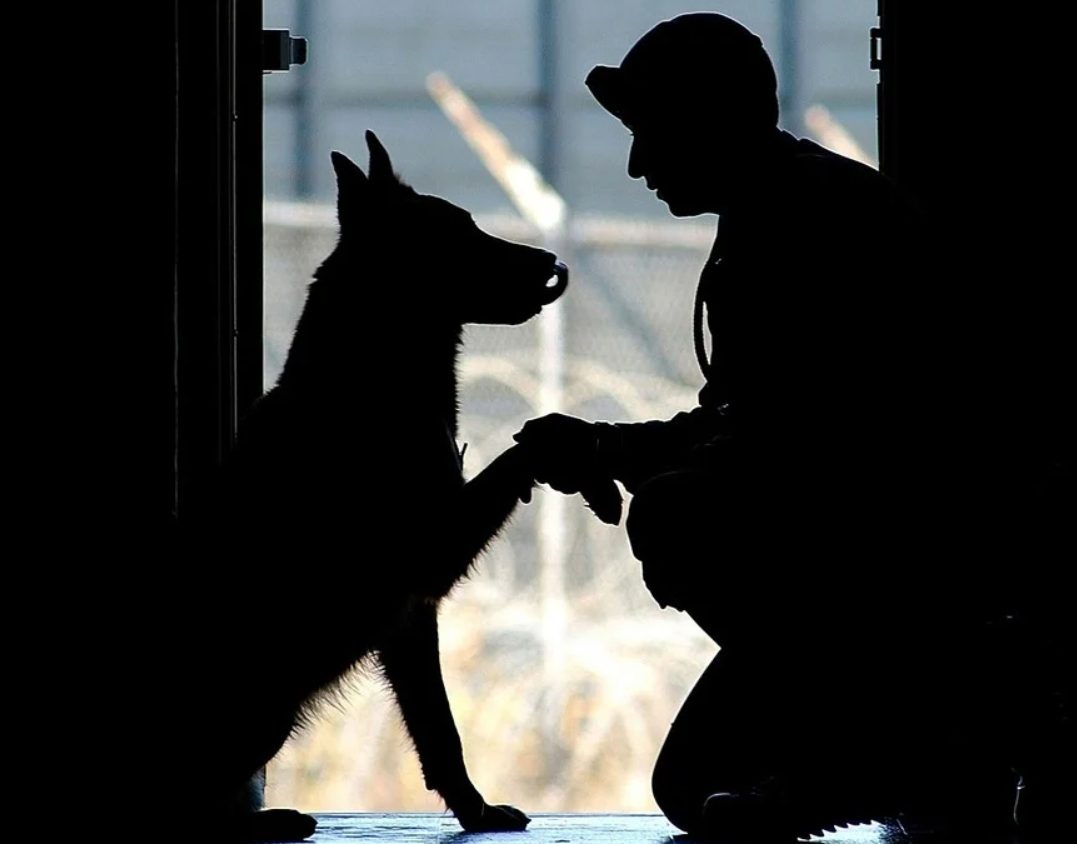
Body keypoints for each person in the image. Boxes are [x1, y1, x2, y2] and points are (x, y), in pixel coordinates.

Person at [513, 13, 1050, 841]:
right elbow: (761, 427)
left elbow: (786, 448)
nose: (635, 162)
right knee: (692, 785)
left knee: (677, 516)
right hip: (884, 566)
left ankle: (935, 714)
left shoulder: (803, 229)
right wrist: (608, 448)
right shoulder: (793, 210)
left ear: (706, 122)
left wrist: (614, 453)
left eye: (649, 131)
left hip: (895, 569)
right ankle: (922, 737)